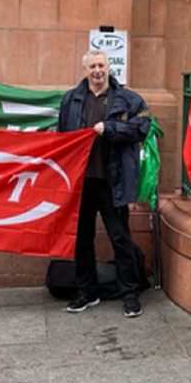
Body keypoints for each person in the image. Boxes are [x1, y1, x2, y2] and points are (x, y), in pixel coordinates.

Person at [58, 50, 151, 318]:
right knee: (82, 239)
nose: (97, 70)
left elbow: (142, 127)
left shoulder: (129, 99)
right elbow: (62, 137)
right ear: (85, 69)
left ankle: (130, 293)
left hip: (114, 182)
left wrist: (110, 129)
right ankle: (86, 292)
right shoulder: (71, 100)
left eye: (101, 65)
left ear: (109, 67)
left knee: (120, 238)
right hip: (81, 182)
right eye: (92, 66)